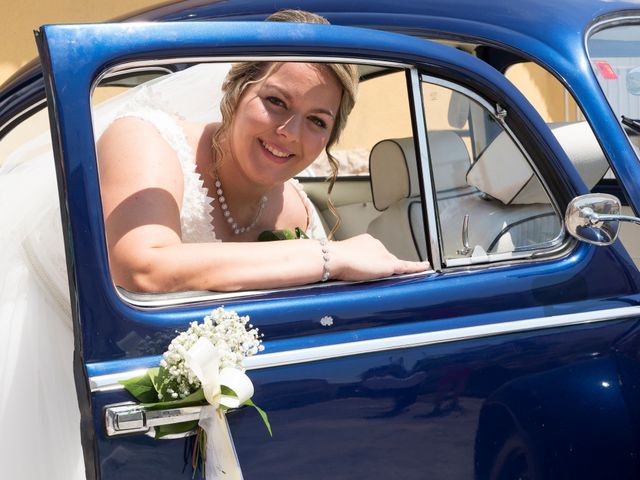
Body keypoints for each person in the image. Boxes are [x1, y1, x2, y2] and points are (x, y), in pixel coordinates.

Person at [97, 9, 429, 294]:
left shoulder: (295, 211)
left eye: (316, 120)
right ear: (236, 90)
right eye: (275, 101)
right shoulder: (147, 140)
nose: (289, 132)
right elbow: (141, 270)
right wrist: (328, 256)